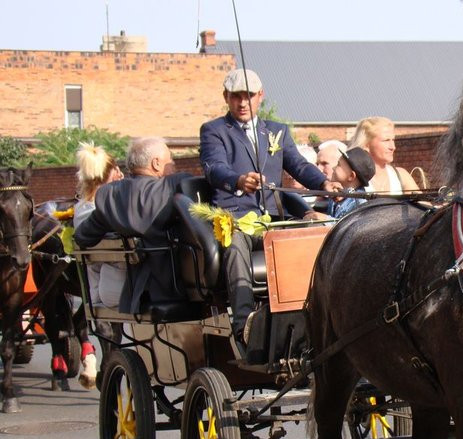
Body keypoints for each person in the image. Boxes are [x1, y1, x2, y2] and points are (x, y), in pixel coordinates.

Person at [199, 68, 342, 343]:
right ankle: (244, 326)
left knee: (316, 230)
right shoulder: (214, 131)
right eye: (237, 96)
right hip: (236, 219)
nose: (243, 103)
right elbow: (214, 169)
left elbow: (298, 165)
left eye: (249, 96)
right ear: (226, 97)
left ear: (260, 96)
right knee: (235, 243)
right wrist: (238, 180)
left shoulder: (276, 131)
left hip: (273, 219)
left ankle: (319, 313)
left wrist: (324, 184)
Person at [74, 137, 192, 314]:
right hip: (177, 290)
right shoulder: (177, 184)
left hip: (128, 295)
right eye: (171, 160)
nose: (174, 165)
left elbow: (83, 236)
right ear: (156, 164)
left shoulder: (110, 195)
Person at [73, 143, 125, 308]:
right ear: (112, 173)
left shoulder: (81, 208)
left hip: (94, 288)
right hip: (119, 288)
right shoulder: (110, 208)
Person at [350, 116, 419, 193]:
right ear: (366, 144)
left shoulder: (401, 176)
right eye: (386, 140)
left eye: (393, 140)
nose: (393, 147)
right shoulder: (352, 177)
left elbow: (423, 204)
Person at [327, 147, 375, 219]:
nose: (333, 168)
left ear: (351, 176)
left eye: (338, 165)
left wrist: (325, 219)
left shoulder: (358, 203)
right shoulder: (336, 194)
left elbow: (350, 226)